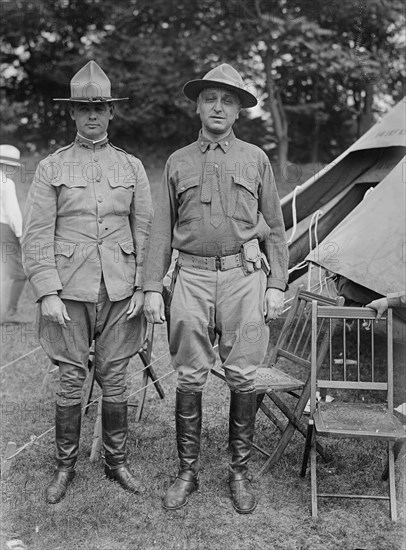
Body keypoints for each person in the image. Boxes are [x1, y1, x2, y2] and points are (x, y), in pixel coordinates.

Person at [143, 63, 289, 514]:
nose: (219, 107)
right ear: (199, 107)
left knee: (243, 373)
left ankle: (238, 473)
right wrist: (152, 286)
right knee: (190, 373)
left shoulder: (255, 158)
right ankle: (187, 472)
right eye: (211, 99)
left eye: (228, 100)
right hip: (190, 277)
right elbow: (161, 230)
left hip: (245, 279)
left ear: (239, 111)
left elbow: (276, 228)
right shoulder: (177, 161)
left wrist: (277, 285)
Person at [22, 61, 153, 504]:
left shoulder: (131, 167)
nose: (92, 115)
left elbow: (146, 231)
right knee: (70, 379)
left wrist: (141, 286)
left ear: (112, 113)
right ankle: (65, 467)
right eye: (83, 108)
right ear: (73, 113)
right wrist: (46, 291)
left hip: (120, 290)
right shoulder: (50, 167)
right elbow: (37, 233)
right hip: (69, 291)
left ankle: (117, 463)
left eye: (100, 108)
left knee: (115, 376)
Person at [0, 144, 28, 323]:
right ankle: (11, 312)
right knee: (20, 273)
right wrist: (20, 235)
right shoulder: (6, 183)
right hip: (5, 230)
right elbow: (12, 213)